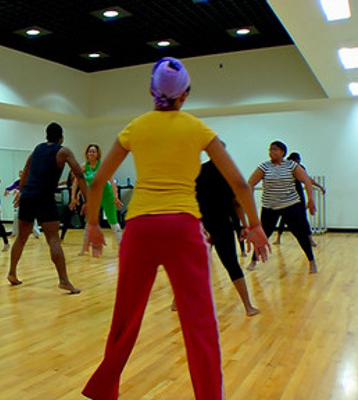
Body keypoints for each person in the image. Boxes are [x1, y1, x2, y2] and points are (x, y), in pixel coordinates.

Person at [81, 58, 270, 400]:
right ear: (185, 94)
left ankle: (104, 390)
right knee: (199, 324)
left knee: (126, 317)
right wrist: (254, 226)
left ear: (152, 92)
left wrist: (93, 223)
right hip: (183, 230)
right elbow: (240, 182)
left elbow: (98, 184)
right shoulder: (198, 129)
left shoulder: (135, 127)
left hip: (139, 230)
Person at [6, 122, 88, 294]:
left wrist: (21, 193)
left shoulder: (37, 149)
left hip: (28, 195)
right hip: (44, 196)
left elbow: (26, 171)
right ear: (61, 137)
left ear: (46, 136)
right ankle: (64, 280)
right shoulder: (63, 151)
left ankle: (12, 273)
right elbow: (79, 174)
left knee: (21, 237)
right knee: (53, 239)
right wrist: (89, 199)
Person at [195, 145, 259, 316]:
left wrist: (244, 225)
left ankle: (247, 305)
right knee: (229, 263)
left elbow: (236, 202)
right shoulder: (223, 172)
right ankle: (248, 306)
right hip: (216, 223)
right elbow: (237, 202)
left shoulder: (202, 171)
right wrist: (244, 224)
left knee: (200, 264)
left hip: (212, 223)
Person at [247, 142, 318, 274]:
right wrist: (249, 201)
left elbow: (307, 180)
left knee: (301, 234)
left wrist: (310, 200)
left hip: (290, 206)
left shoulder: (291, 166)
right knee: (263, 235)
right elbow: (250, 183)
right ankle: (253, 261)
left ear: (282, 152)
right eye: (270, 150)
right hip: (270, 207)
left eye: (275, 149)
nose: (271, 152)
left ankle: (311, 261)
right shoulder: (264, 167)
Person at [73, 144, 123, 254]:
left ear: (97, 154)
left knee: (113, 221)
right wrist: (74, 196)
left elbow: (112, 181)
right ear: (86, 153)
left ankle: (123, 249)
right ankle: (84, 248)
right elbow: (77, 182)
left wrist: (116, 197)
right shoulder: (84, 167)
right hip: (94, 197)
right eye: (89, 151)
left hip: (107, 195)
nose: (91, 153)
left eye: (93, 152)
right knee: (89, 221)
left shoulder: (102, 166)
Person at [273, 152, 325, 247]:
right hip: (287, 195)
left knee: (303, 218)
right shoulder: (286, 168)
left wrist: (319, 186)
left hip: (299, 195)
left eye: (298, 160)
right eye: (296, 160)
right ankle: (278, 238)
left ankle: (310, 239)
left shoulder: (300, 168)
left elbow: (308, 180)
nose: (298, 162)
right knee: (284, 218)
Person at [5, 170, 41, 239]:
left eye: (22, 174)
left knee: (31, 219)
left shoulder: (29, 181)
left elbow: (23, 189)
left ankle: (36, 234)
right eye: (19, 175)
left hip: (30, 201)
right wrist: (7, 189)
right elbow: (12, 186)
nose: (20, 176)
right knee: (16, 216)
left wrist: (17, 192)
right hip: (22, 202)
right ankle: (14, 233)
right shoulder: (18, 182)